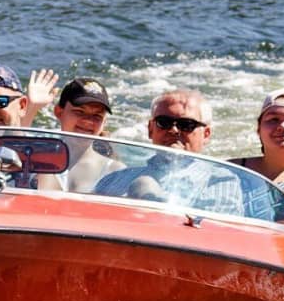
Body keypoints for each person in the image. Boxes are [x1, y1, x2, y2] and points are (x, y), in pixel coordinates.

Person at [94, 89, 243, 215]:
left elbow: (214, 234)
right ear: (150, 129)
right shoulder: (114, 179)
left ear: (206, 135)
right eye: (163, 122)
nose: (174, 130)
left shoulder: (222, 182)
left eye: (187, 124)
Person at [36, 77, 125, 192]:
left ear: (104, 122)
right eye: (79, 112)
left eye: (97, 116)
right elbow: (16, 151)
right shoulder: (37, 158)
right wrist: (32, 108)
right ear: (59, 112)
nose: (88, 121)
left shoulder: (115, 172)